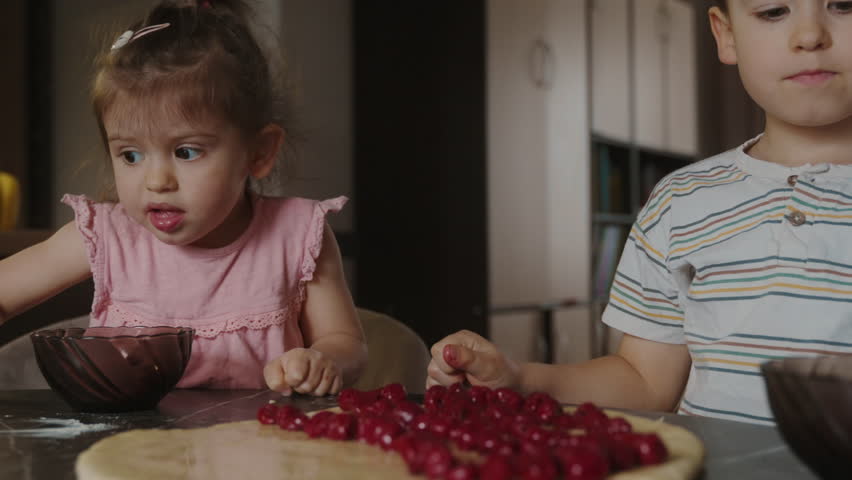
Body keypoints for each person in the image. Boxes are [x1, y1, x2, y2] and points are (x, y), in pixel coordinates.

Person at [428, 0, 852, 425]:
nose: (810, 35)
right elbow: (645, 383)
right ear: (726, 35)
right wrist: (520, 379)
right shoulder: (680, 199)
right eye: (773, 11)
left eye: (844, 5)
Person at [0, 0, 366, 396]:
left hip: (261, 453)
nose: (156, 181)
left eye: (186, 152)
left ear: (258, 152)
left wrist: (323, 361)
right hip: (125, 454)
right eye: (131, 155)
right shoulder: (106, 236)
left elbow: (347, 342)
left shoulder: (297, 237)